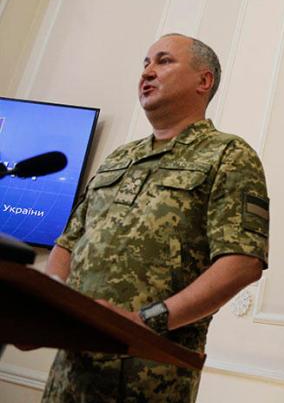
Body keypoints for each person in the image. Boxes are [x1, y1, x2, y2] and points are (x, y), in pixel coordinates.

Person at [41, 33, 269, 402]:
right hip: (69, 373)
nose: (147, 72)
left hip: (146, 378)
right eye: (145, 63)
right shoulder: (119, 157)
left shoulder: (229, 155)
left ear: (203, 80)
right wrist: (50, 310)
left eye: (163, 61)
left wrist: (147, 321)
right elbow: (68, 243)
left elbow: (242, 262)